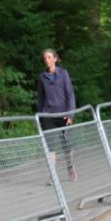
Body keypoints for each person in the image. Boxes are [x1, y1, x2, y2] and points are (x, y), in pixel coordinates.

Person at [36, 48, 77, 182]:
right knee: (50, 146)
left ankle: (70, 167)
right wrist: (40, 116)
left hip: (64, 114)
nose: (46, 60)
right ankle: (52, 174)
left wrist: (71, 114)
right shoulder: (42, 77)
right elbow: (40, 98)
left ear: (55, 58)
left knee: (67, 144)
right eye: (45, 58)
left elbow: (70, 94)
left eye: (49, 57)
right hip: (48, 114)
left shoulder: (63, 73)